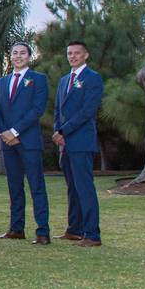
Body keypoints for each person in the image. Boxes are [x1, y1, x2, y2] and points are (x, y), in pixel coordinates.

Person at [0, 42, 51, 244]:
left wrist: (15, 131)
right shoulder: (2, 81)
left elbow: (37, 109)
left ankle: (42, 231)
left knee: (36, 186)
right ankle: (16, 229)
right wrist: (4, 133)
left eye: (22, 53)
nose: (18, 56)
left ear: (29, 56)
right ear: (10, 56)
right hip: (7, 143)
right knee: (14, 187)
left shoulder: (38, 79)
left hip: (28, 141)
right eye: (15, 53)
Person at [52, 41, 104, 247]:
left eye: (77, 53)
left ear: (86, 55)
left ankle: (92, 234)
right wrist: (58, 131)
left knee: (84, 188)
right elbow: (58, 109)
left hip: (81, 140)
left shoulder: (93, 78)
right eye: (69, 53)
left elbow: (87, 111)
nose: (72, 56)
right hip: (64, 142)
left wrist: (64, 130)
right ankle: (74, 229)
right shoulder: (65, 80)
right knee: (72, 188)